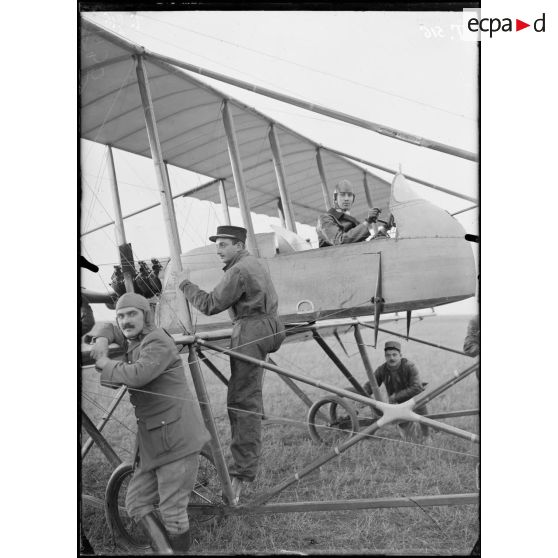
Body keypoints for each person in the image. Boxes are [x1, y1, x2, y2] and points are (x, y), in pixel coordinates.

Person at [86, 293, 210, 553]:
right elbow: (109, 326)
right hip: (153, 440)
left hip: (176, 437)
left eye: (132, 314)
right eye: (121, 315)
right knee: (136, 503)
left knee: (172, 512)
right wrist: (101, 337)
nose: (125, 321)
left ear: (146, 315)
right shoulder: (135, 336)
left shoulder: (157, 340)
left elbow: (139, 374)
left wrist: (106, 362)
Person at [178, 225, 286, 503]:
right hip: (270, 327)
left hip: (252, 331)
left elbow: (210, 304)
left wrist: (185, 284)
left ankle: (239, 477)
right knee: (248, 397)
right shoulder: (254, 263)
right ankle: (242, 468)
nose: (219, 250)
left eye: (224, 244)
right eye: (217, 244)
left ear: (239, 245)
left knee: (242, 402)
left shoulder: (238, 270)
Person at [364, 340, 429, 441]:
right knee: (409, 440)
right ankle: (410, 432)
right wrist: (361, 396)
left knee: (424, 419)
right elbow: (371, 385)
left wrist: (395, 396)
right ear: (385, 356)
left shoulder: (409, 367)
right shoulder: (382, 369)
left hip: (415, 400)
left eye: (394, 355)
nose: (392, 358)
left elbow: (417, 387)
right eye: (388, 355)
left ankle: (426, 435)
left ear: (400, 355)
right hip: (399, 404)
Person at [316, 179, 381, 247]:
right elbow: (340, 242)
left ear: (353, 198)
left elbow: (363, 246)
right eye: (342, 195)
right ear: (335, 198)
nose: (346, 199)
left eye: (349, 195)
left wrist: (385, 229)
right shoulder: (325, 219)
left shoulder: (354, 222)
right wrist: (367, 222)